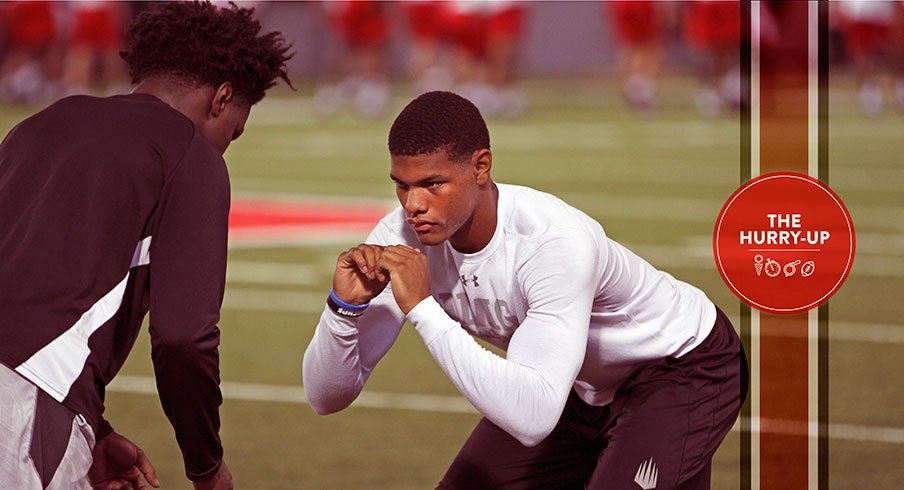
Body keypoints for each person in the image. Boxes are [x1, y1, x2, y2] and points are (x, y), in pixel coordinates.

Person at [303, 91, 747, 489]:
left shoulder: (552, 241)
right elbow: (326, 397)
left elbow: (533, 417)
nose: (413, 204)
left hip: (683, 367)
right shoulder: (400, 234)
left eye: (432, 183)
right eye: (402, 185)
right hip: (575, 383)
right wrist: (342, 310)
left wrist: (423, 308)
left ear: (480, 166)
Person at [0, 2, 291, 489]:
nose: (225, 146)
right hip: (29, 404)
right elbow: (183, 338)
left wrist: (97, 432)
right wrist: (205, 463)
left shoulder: (40, 122)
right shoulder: (190, 154)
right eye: (233, 133)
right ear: (221, 98)